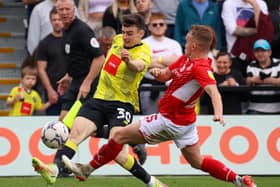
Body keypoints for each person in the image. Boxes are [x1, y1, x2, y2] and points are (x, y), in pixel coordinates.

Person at [63, 25, 258, 187]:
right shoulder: (186, 59)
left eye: (188, 40)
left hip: (169, 120)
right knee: (197, 161)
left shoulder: (201, 67)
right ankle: (239, 179)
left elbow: (214, 92)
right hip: (185, 124)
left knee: (118, 136)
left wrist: (219, 113)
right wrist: (158, 72)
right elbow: (167, 75)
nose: (185, 43)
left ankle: (86, 170)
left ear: (195, 45)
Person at [32, 12, 166, 187]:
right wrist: (71, 76)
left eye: (130, 33)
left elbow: (139, 66)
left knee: (119, 154)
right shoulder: (117, 40)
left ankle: (152, 182)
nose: (125, 36)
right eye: (124, 32)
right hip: (99, 98)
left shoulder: (144, 51)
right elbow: (102, 62)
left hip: (122, 104)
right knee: (75, 134)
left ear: (141, 33)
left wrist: (129, 61)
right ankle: (53, 170)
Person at [140, 12, 182, 115]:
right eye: (154, 24)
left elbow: (179, 63)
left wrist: (157, 59)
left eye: (161, 24)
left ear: (166, 26)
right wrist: (168, 61)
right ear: (149, 27)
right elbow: (144, 63)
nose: (158, 26)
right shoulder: (143, 43)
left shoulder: (174, 44)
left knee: (169, 120)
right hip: (149, 85)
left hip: (170, 86)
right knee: (149, 120)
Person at [221, 0, 271, 77]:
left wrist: (255, 5)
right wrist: (257, 31)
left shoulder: (261, 3)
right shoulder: (229, 3)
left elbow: (264, 27)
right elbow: (233, 30)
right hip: (235, 55)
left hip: (257, 54)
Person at [36, 7, 68, 115]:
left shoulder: (71, 39)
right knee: (52, 125)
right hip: (53, 92)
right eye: (54, 20)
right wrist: (50, 90)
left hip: (70, 89)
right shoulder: (45, 43)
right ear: (50, 21)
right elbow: (41, 69)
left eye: (59, 19)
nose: (57, 22)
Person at [246, 39, 280, 114]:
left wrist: (259, 80)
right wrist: (273, 80)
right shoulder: (251, 65)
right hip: (255, 109)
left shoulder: (278, 63)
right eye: (257, 51)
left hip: (277, 109)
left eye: (263, 51)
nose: (260, 54)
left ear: (269, 52)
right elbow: (249, 81)